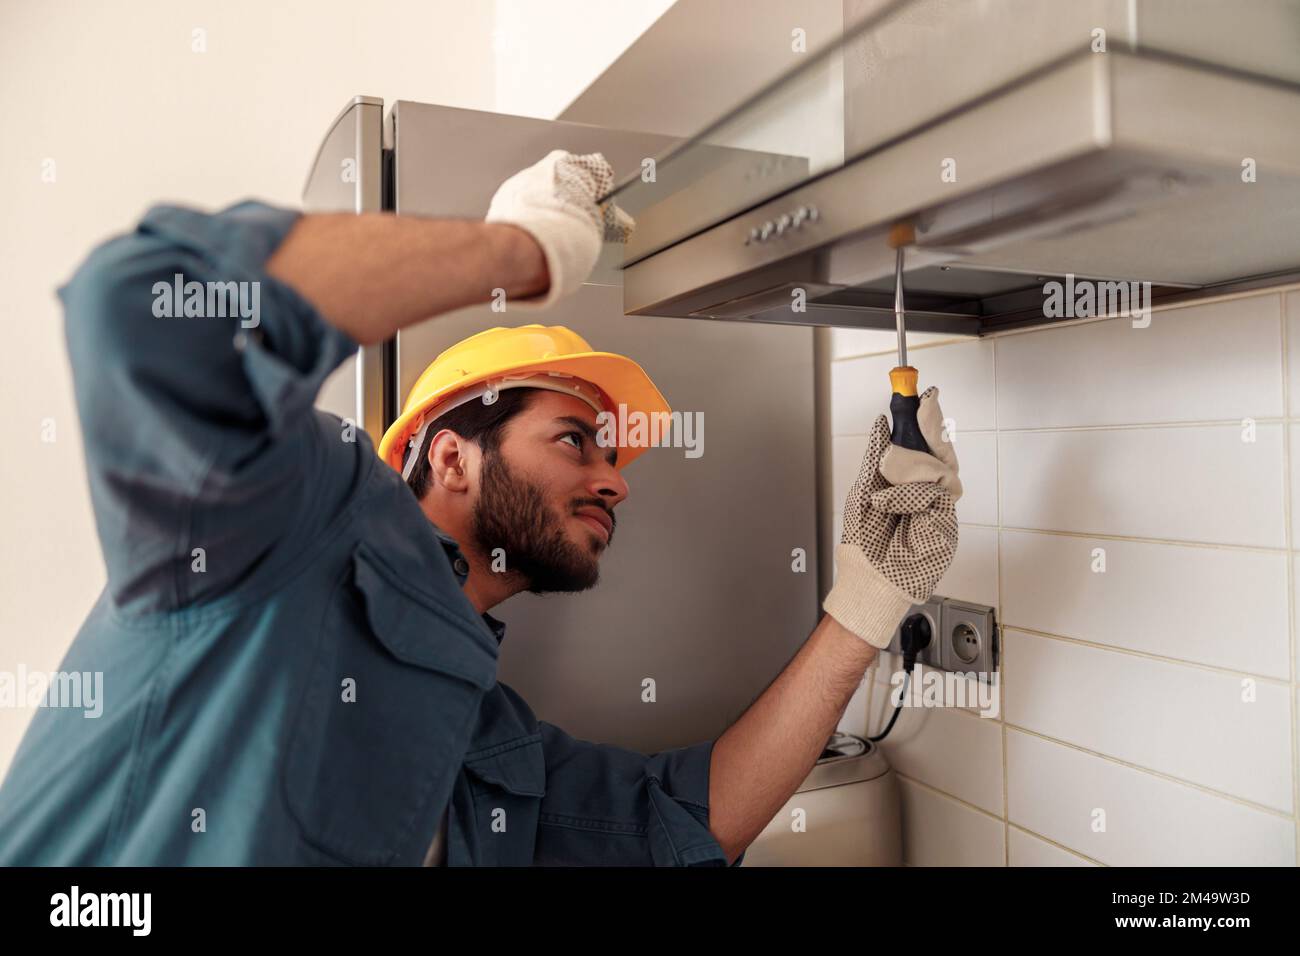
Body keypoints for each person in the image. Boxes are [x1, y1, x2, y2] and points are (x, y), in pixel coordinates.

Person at [0, 150, 961, 865]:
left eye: (613, 452)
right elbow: (141, 306)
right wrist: (527, 250)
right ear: (452, 456)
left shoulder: (484, 741)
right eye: (575, 439)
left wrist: (868, 603)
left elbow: (684, 822)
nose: (618, 478)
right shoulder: (288, 528)